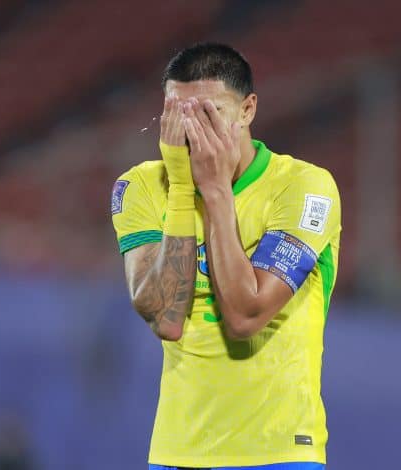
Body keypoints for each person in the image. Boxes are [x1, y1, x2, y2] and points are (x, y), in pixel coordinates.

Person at [110, 43, 341, 470]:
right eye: (178, 114)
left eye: (210, 113)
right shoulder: (141, 187)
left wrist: (215, 191)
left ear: (248, 109)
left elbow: (245, 317)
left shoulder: (304, 188)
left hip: (277, 453)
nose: (192, 131)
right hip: (178, 452)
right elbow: (166, 318)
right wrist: (182, 187)